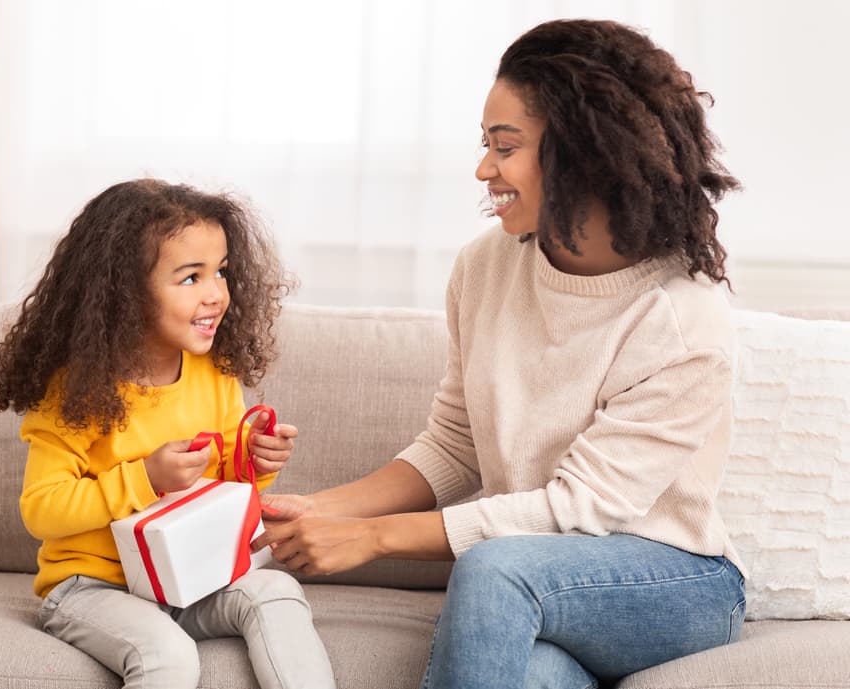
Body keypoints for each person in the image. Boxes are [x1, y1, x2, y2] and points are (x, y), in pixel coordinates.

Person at [254, 18, 747, 689]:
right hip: (529, 579)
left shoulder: (683, 318)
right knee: (535, 673)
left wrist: (374, 537)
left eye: (505, 146)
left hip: (676, 582)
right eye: (485, 145)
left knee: (494, 568)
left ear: (582, 152)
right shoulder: (484, 267)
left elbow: (576, 507)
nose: (484, 168)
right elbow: (455, 446)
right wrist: (323, 508)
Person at [0, 179, 335, 689]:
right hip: (90, 588)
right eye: (191, 278)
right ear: (124, 294)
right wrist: (145, 476)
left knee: (275, 592)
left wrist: (255, 464)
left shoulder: (213, 371)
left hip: (190, 578)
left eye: (221, 272)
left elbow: (225, 485)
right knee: (166, 653)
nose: (216, 293)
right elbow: (42, 509)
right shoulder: (75, 392)